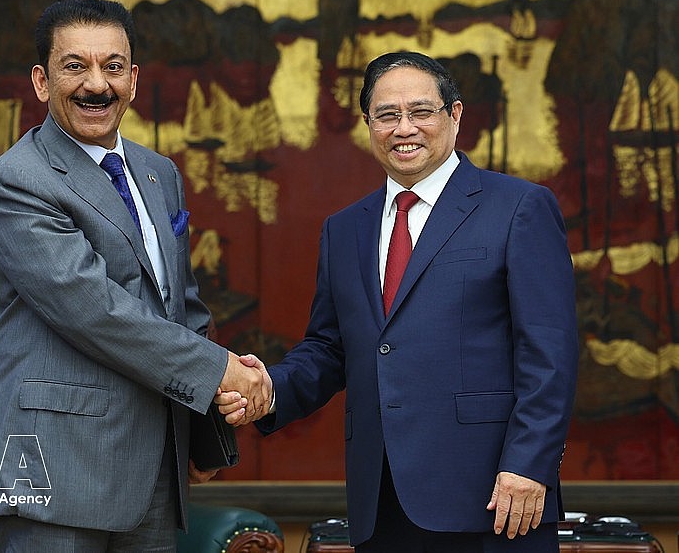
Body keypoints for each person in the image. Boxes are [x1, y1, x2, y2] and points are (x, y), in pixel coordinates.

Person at [218, 51, 579, 552]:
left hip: (495, 499)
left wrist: (528, 464)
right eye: (387, 115)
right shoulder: (346, 228)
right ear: (369, 125)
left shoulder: (519, 207)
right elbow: (330, 349)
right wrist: (268, 388)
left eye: (421, 111)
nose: (403, 128)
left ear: (454, 115)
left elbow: (550, 353)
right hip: (380, 503)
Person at [0, 0, 268, 553]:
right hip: (55, 472)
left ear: (132, 80)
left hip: (154, 473)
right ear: (41, 81)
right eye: (74, 66)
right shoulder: (18, 180)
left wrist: (205, 429)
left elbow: (181, 307)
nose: (96, 84)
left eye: (112, 67)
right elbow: (95, 310)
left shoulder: (158, 173)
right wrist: (222, 374)